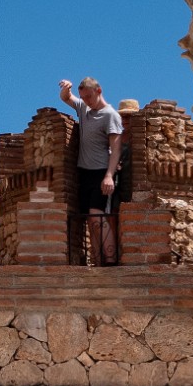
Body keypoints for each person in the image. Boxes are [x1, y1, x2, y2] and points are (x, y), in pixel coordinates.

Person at [57, 77, 126, 266]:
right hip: (84, 172)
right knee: (90, 219)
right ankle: (97, 262)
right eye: (83, 97)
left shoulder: (110, 115)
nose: (86, 101)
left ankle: (110, 260)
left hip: (101, 172)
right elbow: (66, 98)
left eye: (89, 96)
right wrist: (66, 88)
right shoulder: (83, 108)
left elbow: (116, 149)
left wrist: (109, 176)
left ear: (99, 91)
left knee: (97, 214)